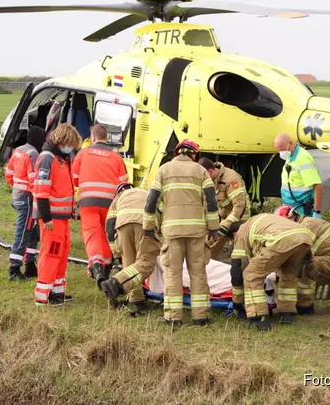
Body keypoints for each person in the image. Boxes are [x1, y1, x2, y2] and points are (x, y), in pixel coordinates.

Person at [143, 139, 218, 326]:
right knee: (198, 272)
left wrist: (148, 227)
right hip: (197, 231)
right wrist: (214, 227)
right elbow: (211, 201)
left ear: (177, 153)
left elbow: (151, 201)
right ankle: (201, 316)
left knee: (173, 273)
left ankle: (173, 316)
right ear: (194, 155)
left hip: (172, 231)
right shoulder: (201, 171)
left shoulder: (163, 170)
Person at [226, 213, 314, 331]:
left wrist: (237, 302)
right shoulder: (260, 222)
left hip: (280, 239)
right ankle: (287, 313)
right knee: (287, 273)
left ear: (233, 234)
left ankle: (258, 317)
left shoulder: (241, 232)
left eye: (232, 241)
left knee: (252, 275)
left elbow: (237, 268)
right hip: (304, 237)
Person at [72, 124, 129, 286]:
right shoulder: (116, 157)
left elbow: (74, 178)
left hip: (88, 201)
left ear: (93, 137)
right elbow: (124, 183)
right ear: (107, 138)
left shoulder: (83, 154)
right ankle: (105, 267)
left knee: (92, 234)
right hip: (110, 203)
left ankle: (96, 266)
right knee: (106, 234)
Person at [273, 205, 330, 313]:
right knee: (303, 276)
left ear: (293, 217)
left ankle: (305, 306)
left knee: (303, 268)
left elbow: (301, 255)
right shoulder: (304, 224)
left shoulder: (307, 226)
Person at [33, 124, 82, 306]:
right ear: (63, 141)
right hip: (51, 218)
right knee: (51, 253)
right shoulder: (48, 158)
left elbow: (65, 189)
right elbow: (41, 190)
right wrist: (46, 218)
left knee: (62, 253)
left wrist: (72, 210)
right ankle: (42, 296)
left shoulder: (61, 158)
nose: (71, 149)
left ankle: (57, 293)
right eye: (70, 144)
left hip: (61, 217)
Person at [100, 183, 162, 315]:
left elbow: (109, 227)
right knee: (146, 262)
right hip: (145, 224)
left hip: (122, 226)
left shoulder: (118, 199)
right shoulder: (144, 192)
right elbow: (160, 214)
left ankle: (136, 299)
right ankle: (116, 284)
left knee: (129, 263)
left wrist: (116, 252)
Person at [4, 126, 46, 281]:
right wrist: (38, 201)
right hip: (28, 199)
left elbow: (9, 175)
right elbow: (34, 181)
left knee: (33, 233)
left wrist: (17, 190)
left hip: (18, 197)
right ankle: (14, 268)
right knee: (23, 232)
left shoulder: (18, 150)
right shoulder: (33, 154)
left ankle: (30, 264)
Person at [198, 157, 251, 261]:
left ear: (210, 171)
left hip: (239, 219)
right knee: (210, 247)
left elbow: (239, 205)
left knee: (237, 252)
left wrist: (225, 225)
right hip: (223, 216)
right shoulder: (210, 179)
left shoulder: (231, 178)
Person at [273, 133, 323, 219]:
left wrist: (317, 211)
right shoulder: (291, 155)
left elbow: (317, 185)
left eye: (283, 149)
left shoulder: (303, 159)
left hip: (301, 209)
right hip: (289, 207)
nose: (282, 153)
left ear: (290, 143)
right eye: (279, 151)